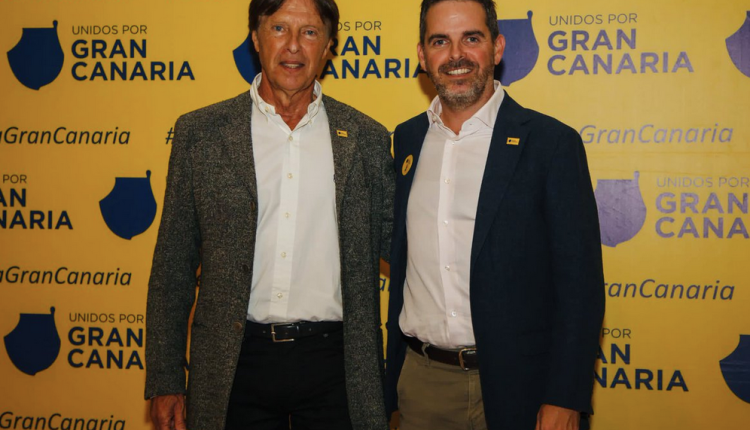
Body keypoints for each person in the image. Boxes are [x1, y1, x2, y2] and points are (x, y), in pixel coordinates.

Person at [144, 0, 393, 429]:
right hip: (234, 365)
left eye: (309, 32)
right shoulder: (201, 134)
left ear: (328, 46)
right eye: (279, 29)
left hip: (338, 366)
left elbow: (404, 247)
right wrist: (165, 377)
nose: (293, 46)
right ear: (256, 39)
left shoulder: (367, 138)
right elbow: (173, 265)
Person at [384, 1, 605, 429]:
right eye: (440, 41)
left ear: (498, 47)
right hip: (424, 385)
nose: (456, 55)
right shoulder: (406, 139)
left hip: (524, 385)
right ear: (422, 56)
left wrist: (565, 395)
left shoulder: (550, 143)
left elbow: (580, 286)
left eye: (471, 38)